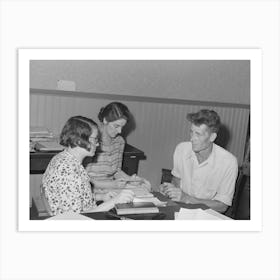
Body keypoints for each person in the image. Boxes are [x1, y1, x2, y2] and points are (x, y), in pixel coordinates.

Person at [42, 116, 134, 216]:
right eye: (94, 139)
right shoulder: (68, 172)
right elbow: (76, 218)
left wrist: (101, 197)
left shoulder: (64, 159)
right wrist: (114, 201)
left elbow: (75, 197)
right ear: (78, 141)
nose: (98, 144)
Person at [159, 109, 238, 213]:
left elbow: (222, 206)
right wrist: (169, 190)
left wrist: (187, 199)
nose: (192, 138)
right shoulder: (181, 149)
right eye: (191, 132)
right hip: (181, 211)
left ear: (212, 137)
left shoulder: (229, 162)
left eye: (198, 134)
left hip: (207, 216)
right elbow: (176, 181)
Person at [86, 102, 151, 191]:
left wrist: (130, 179)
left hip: (111, 190)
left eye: (122, 127)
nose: (120, 131)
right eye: (116, 126)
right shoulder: (91, 140)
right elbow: (82, 178)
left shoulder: (119, 141)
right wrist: (111, 185)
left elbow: (117, 171)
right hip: (90, 191)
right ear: (105, 120)